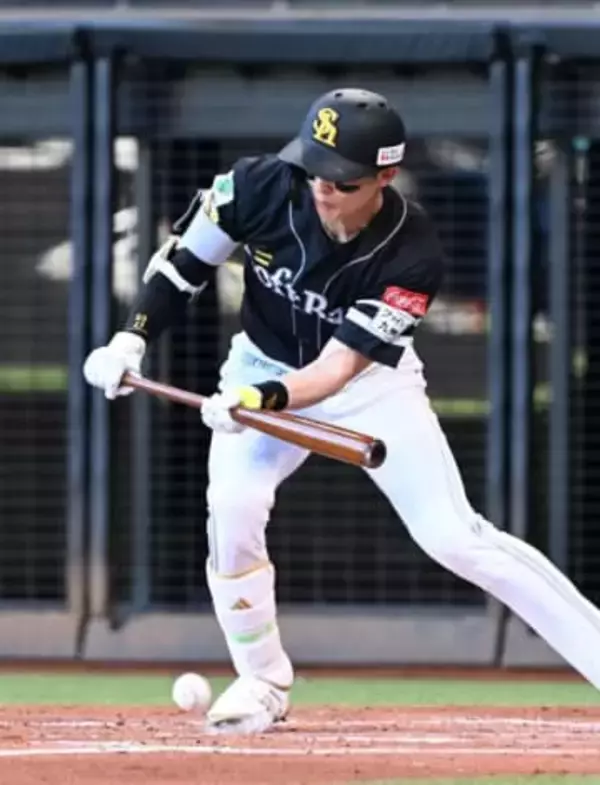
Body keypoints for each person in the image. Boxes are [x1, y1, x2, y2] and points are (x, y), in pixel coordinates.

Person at [84, 88, 600, 734]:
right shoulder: (258, 184)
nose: (323, 188)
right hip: (260, 363)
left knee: (454, 537)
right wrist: (130, 338)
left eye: (342, 179)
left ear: (385, 176)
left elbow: (337, 369)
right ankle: (262, 678)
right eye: (315, 169)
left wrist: (262, 401)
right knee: (234, 506)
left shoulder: (412, 251)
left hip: (370, 387)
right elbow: (184, 263)